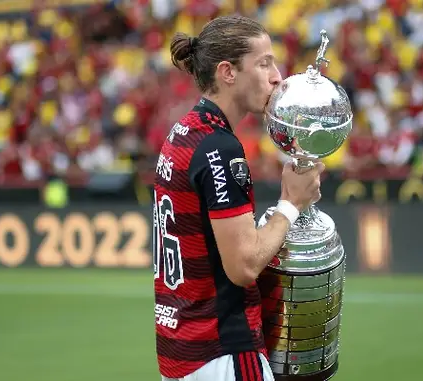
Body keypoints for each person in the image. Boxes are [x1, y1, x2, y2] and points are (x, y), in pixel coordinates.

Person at [153, 15, 324, 381]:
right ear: (228, 72)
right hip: (223, 352)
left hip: (181, 352)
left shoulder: (183, 132)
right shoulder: (220, 147)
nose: (277, 75)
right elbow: (244, 265)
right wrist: (291, 204)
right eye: (264, 63)